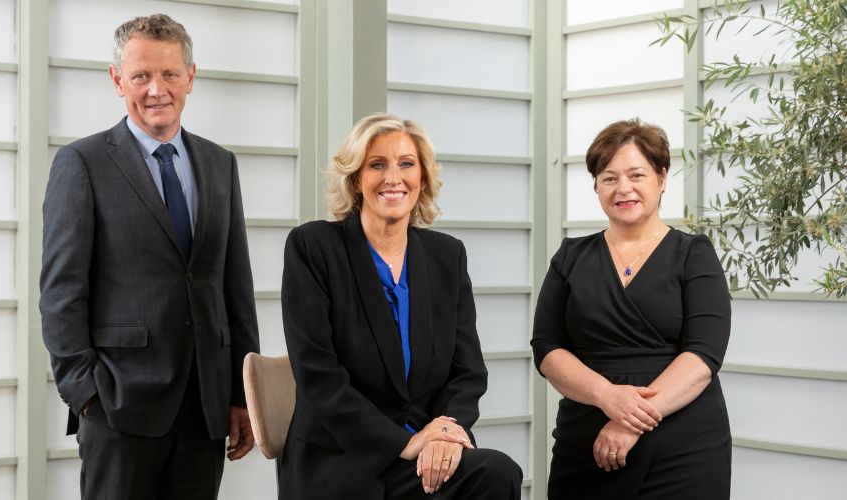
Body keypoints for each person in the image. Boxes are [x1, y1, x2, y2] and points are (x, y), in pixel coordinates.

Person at [40, 14, 259, 500]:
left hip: (205, 407)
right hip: (119, 405)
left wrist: (242, 395)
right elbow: (61, 291)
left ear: (191, 77)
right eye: (141, 76)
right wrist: (86, 392)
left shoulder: (219, 164)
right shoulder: (82, 163)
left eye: (170, 74)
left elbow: (234, 286)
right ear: (118, 80)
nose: (156, 89)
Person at [278, 113, 522, 499]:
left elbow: (467, 371)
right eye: (377, 165)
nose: (393, 178)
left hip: (424, 455)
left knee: (497, 472)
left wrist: (445, 432)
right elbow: (318, 375)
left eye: (406, 164)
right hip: (342, 457)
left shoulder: (446, 256)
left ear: (422, 177)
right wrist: (403, 444)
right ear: (356, 178)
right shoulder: (314, 248)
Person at [531, 118, 732, 499]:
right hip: (587, 441)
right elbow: (547, 348)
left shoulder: (695, 254)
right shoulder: (570, 257)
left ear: (662, 177)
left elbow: (704, 355)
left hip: (683, 444)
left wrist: (630, 421)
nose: (624, 188)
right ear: (596, 186)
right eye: (609, 178)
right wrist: (608, 397)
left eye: (636, 174)